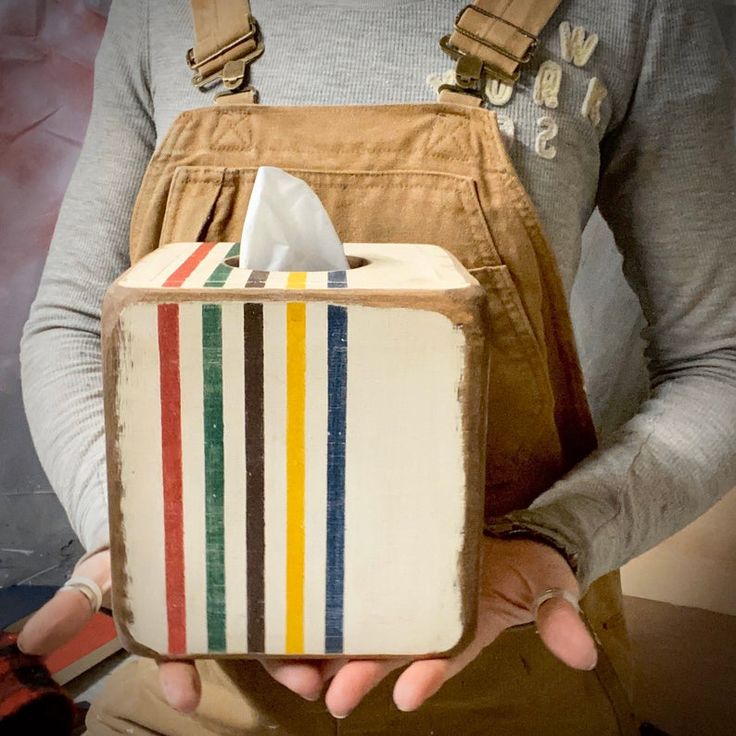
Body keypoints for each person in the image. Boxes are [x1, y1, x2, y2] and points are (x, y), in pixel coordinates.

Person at [17, 0, 736, 733]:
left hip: (508, 643)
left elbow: (719, 360)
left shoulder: (634, 13)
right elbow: (73, 322)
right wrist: (138, 533)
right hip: (202, 663)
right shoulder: (161, 12)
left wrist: (560, 537)